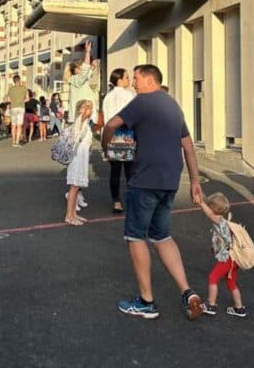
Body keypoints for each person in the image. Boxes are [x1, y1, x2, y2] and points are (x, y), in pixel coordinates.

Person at [102, 64, 204, 321]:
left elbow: (112, 124)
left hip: (144, 179)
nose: (133, 83)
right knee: (161, 236)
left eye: (136, 78)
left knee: (135, 236)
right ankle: (187, 291)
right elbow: (188, 146)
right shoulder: (173, 106)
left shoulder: (142, 102)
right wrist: (194, 181)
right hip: (169, 181)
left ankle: (147, 301)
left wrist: (107, 146)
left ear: (149, 80)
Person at [197, 192, 247, 318]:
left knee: (213, 277)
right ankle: (239, 308)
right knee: (231, 283)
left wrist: (201, 202)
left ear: (214, 209)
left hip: (228, 259)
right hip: (234, 259)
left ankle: (211, 305)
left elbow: (209, 213)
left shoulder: (219, 221)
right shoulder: (225, 222)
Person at [102, 68, 136, 213]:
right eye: (127, 77)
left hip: (111, 135)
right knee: (130, 171)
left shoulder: (107, 97)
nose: (129, 80)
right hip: (126, 134)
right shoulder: (129, 95)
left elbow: (105, 118)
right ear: (120, 79)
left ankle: (116, 201)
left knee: (115, 171)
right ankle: (132, 200)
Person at [64, 99, 95, 226]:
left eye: (90, 108)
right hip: (77, 158)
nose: (89, 110)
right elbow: (78, 133)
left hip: (82, 157)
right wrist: (83, 113)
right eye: (86, 108)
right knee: (74, 187)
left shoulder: (86, 122)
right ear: (80, 110)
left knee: (77, 188)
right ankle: (68, 215)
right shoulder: (79, 121)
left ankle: (73, 214)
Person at [67, 40, 99, 124]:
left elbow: (85, 73)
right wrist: (87, 53)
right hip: (82, 116)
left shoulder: (78, 80)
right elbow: (85, 69)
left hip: (84, 115)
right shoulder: (75, 80)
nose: (81, 68)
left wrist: (91, 69)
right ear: (74, 71)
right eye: (79, 67)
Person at [6, 75, 29, 147]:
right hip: (21, 108)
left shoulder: (10, 89)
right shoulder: (24, 88)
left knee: (13, 125)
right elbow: (27, 99)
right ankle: (17, 142)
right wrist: (22, 101)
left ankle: (13, 141)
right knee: (19, 126)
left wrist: (13, 101)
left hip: (13, 108)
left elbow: (8, 100)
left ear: (13, 81)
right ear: (19, 80)